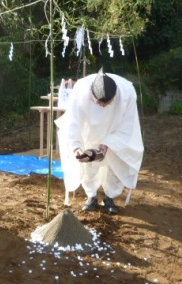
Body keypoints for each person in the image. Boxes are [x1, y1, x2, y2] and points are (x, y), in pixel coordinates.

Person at [55, 68, 144, 214]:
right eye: (100, 104)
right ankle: (92, 196)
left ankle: (110, 197)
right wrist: (77, 148)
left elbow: (129, 124)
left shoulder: (127, 92)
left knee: (116, 164)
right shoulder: (80, 90)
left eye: (107, 104)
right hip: (89, 131)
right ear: (92, 95)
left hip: (116, 132)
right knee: (89, 167)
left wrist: (108, 144)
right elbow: (72, 123)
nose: (103, 107)